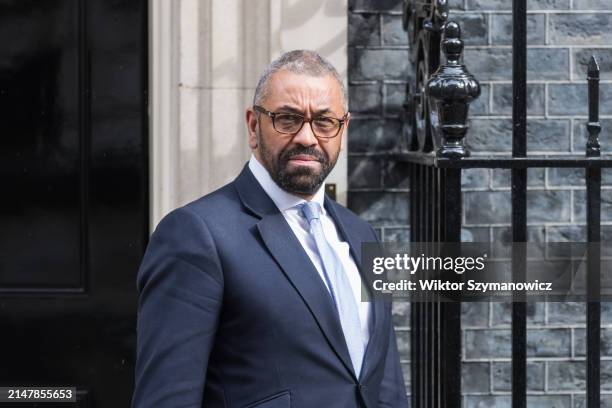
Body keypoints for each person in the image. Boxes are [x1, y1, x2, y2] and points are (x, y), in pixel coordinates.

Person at [132, 50, 408, 408]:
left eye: (324, 122)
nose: (307, 137)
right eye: (288, 119)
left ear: (344, 129)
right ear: (253, 125)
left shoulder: (361, 234)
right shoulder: (196, 235)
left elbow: (384, 383)